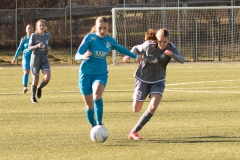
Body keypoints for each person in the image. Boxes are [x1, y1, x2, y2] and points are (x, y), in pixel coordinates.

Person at [75, 16, 145, 128]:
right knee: (89, 106)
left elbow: (121, 49)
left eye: (105, 28)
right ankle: (94, 127)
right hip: (85, 74)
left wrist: (135, 56)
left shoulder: (109, 41)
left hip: (100, 73)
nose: (102, 31)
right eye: (100, 28)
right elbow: (77, 54)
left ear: (108, 28)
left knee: (97, 94)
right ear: (96, 28)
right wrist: (83, 56)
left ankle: (99, 123)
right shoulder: (89, 38)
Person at [123, 28, 184, 140]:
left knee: (152, 107)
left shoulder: (170, 47)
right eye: (160, 41)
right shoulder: (148, 46)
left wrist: (172, 55)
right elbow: (136, 48)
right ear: (156, 39)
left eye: (165, 42)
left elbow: (182, 60)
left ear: (168, 40)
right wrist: (129, 55)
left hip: (158, 80)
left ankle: (134, 132)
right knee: (136, 109)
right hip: (142, 78)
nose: (162, 44)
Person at [28, 19, 51, 103]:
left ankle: (39, 87)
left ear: (45, 27)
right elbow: (29, 48)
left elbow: (49, 45)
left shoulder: (48, 36)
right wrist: (37, 46)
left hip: (44, 58)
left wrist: (49, 48)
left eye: (43, 25)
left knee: (47, 78)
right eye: (40, 25)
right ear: (37, 27)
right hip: (35, 59)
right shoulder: (34, 36)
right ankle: (33, 97)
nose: (41, 27)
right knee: (35, 80)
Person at [11, 24, 33, 93]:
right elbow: (19, 48)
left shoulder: (35, 38)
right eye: (28, 28)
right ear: (26, 30)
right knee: (26, 72)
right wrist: (15, 58)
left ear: (33, 29)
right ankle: (25, 87)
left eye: (31, 28)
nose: (29, 29)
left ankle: (33, 86)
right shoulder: (24, 39)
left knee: (34, 72)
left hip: (33, 57)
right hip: (26, 57)